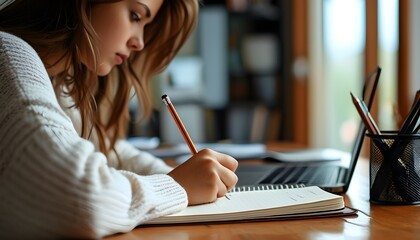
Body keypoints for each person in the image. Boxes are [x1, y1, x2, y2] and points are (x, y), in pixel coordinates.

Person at [0, 0, 238, 238]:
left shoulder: (60, 81)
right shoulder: (8, 55)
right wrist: (177, 186)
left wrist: (181, 176)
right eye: (135, 16)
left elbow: (109, 151)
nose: (139, 42)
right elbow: (83, 199)